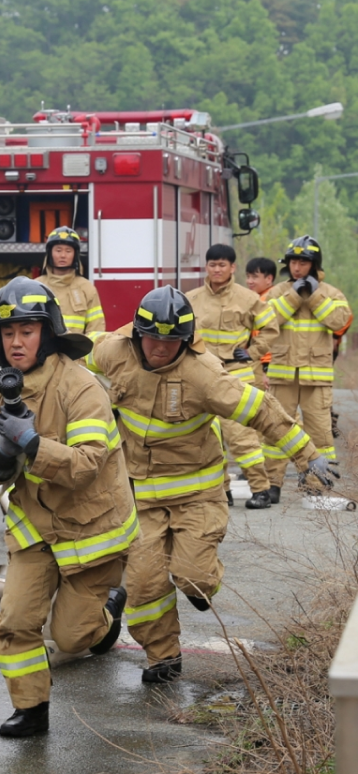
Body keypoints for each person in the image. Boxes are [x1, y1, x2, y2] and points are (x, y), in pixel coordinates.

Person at [88, 287, 328, 683]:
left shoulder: (206, 375)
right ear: (136, 333)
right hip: (140, 500)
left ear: (184, 340)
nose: (158, 348)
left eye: (169, 341)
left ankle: (199, 588)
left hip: (195, 495)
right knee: (144, 585)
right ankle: (163, 657)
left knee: (194, 576)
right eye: (150, 338)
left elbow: (261, 411)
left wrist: (307, 453)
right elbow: (72, 354)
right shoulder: (115, 351)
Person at [0, 277, 134, 738]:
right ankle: (32, 709)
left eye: (26, 331)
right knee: (14, 623)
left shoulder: (81, 387)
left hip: (92, 529)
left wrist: (33, 444)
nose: (16, 342)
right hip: (35, 529)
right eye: (7, 333)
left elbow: (84, 466)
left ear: (48, 330)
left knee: (69, 637)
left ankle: (107, 616)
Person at [186, 244, 278, 509]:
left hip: (235, 372)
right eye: (212, 264)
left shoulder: (247, 298)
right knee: (208, 436)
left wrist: (252, 352)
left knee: (241, 435)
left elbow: (270, 328)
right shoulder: (192, 298)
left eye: (222, 265)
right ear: (206, 266)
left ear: (232, 267)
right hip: (202, 373)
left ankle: (261, 490)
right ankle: (221, 491)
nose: (217, 269)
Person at [262, 236, 352, 502]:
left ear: (314, 264)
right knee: (277, 428)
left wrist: (313, 296)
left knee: (321, 434)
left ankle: (315, 484)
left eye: (303, 262)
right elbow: (268, 320)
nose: (297, 267)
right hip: (283, 373)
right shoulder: (278, 292)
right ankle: (272, 485)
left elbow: (339, 322)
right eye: (293, 261)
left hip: (317, 376)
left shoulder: (331, 293)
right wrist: (293, 295)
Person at [36, 226, 106, 338]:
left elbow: (96, 330)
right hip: (44, 354)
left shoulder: (86, 288)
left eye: (68, 251)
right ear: (50, 253)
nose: (63, 255)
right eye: (58, 250)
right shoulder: (36, 287)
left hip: (76, 354)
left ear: (75, 255)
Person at [245, 256, 278, 389]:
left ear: (269, 279)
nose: (249, 281)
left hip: (265, 364)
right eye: (248, 277)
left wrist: (265, 370)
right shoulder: (263, 297)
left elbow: (267, 339)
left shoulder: (266, 301)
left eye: (254, 277)